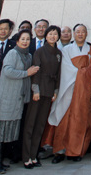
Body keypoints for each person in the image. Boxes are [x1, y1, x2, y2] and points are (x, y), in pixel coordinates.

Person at [0, 29, 39, 174]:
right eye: (23, 39)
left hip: (17, 97)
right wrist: (26, 73)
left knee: (8, 130)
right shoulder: (13, 53)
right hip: (6, 97)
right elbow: (7, 71)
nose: (25, 41)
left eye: (28, 39)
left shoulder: (27, 55)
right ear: (17, 40)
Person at [47, 24, 91, 163]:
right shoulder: (66, 50)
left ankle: (76, 151)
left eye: (83, 32)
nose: (80, 34)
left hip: (83, 90)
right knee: (64, 119)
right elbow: (66, 68)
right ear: (74, 34)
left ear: (87, 34)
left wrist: (82, 74)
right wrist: (81, 72)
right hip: (67, 88)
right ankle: (59, 151)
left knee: (80, 120)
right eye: (78, 31)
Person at [22, 25, 62, 168]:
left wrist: (56, 91)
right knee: (30, 124)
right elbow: (36, 72)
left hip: (49, 91)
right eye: (50, 34)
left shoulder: (58, 53)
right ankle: (26, 156)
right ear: (46, 36)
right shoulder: (39, 51)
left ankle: (34, 155)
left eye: (55, 34)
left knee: (40, 125)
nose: (52, 36)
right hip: (38, 90)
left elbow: (58, 74)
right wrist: (35, 90)